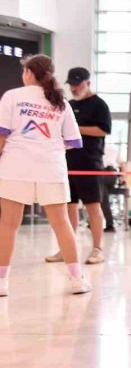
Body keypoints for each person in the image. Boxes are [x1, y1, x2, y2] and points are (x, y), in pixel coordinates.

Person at [0, 55, 90, 297]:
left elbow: (1, 136)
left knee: (8, 224)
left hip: (14, 166)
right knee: (61, 223)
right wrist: (49, 145)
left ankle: (1, 283)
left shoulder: (12, 96)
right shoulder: (61, 102)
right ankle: (76, 280)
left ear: (29, 72)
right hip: (51, 167)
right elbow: (73, 141)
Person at [45, 67, 111, 266]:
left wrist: (75, 129)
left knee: (93, 206)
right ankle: (67, 249)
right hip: (67, 163)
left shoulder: (99, 105)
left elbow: (103, 130)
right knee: (69, 207)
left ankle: (97, 249)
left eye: (78, 84)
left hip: (90, 164)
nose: (74, 88)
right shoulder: (67, 105)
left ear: (88, 83)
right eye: (71, 84)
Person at [100, 141, 121, 232]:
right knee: (104, 199)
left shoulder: (99, 146)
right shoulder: (114, 146)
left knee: (102, 200)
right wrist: (123, 177)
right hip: (113, 175)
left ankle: (110, 225)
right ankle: (94, 222)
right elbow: (122, 162)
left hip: (102, 173)